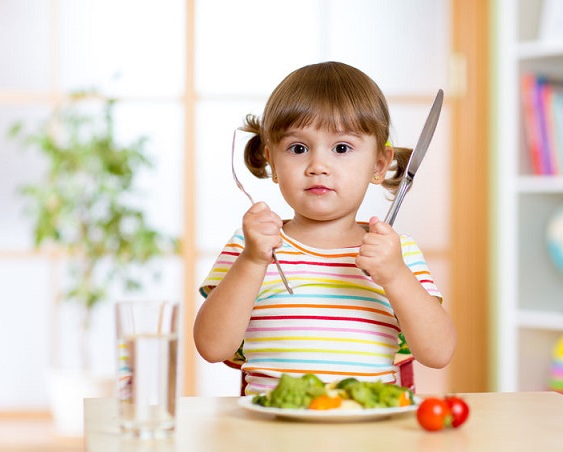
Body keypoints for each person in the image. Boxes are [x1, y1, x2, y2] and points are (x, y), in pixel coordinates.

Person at [194, 61, 456, 395]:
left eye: (342, 148)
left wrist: (395, 275)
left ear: (378, 165)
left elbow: (438, 353)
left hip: (367, 433)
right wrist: (251, 261)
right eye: (298, 148)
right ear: (272, 161)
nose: (318, 166)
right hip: (272, 431)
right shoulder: (253, 246)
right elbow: (212, 348)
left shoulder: (394, 252)